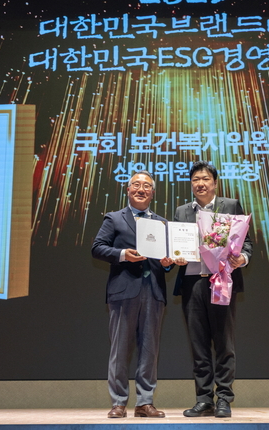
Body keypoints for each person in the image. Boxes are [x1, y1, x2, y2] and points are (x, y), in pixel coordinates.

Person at [172, 161, 253, 418]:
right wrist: (175, 257)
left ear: (215, 183)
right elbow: (175, 245)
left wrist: (242, 259)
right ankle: (204, 399)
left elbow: (246, 243)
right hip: (192, 283)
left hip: (221, 281)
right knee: (198, 345)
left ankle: (224, 399)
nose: (200, 183)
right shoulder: (182, 211)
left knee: (223, 342)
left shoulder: (230, 206)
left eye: (205, 178)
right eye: (196, 179)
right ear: (191, 184)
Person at [91, 170, 173, 419]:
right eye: (136, 184)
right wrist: (123, 255)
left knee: (150, 350)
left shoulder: (162, 223)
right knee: (120, 349)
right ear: (128, 190)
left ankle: (144, 403)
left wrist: (168, 263)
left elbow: (166, 260)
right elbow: (97, 248)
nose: (141, 189)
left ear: (152, 193)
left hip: (153, 291)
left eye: (146, 186)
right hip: (123, 291)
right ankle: (118, 402)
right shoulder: (114, 218)